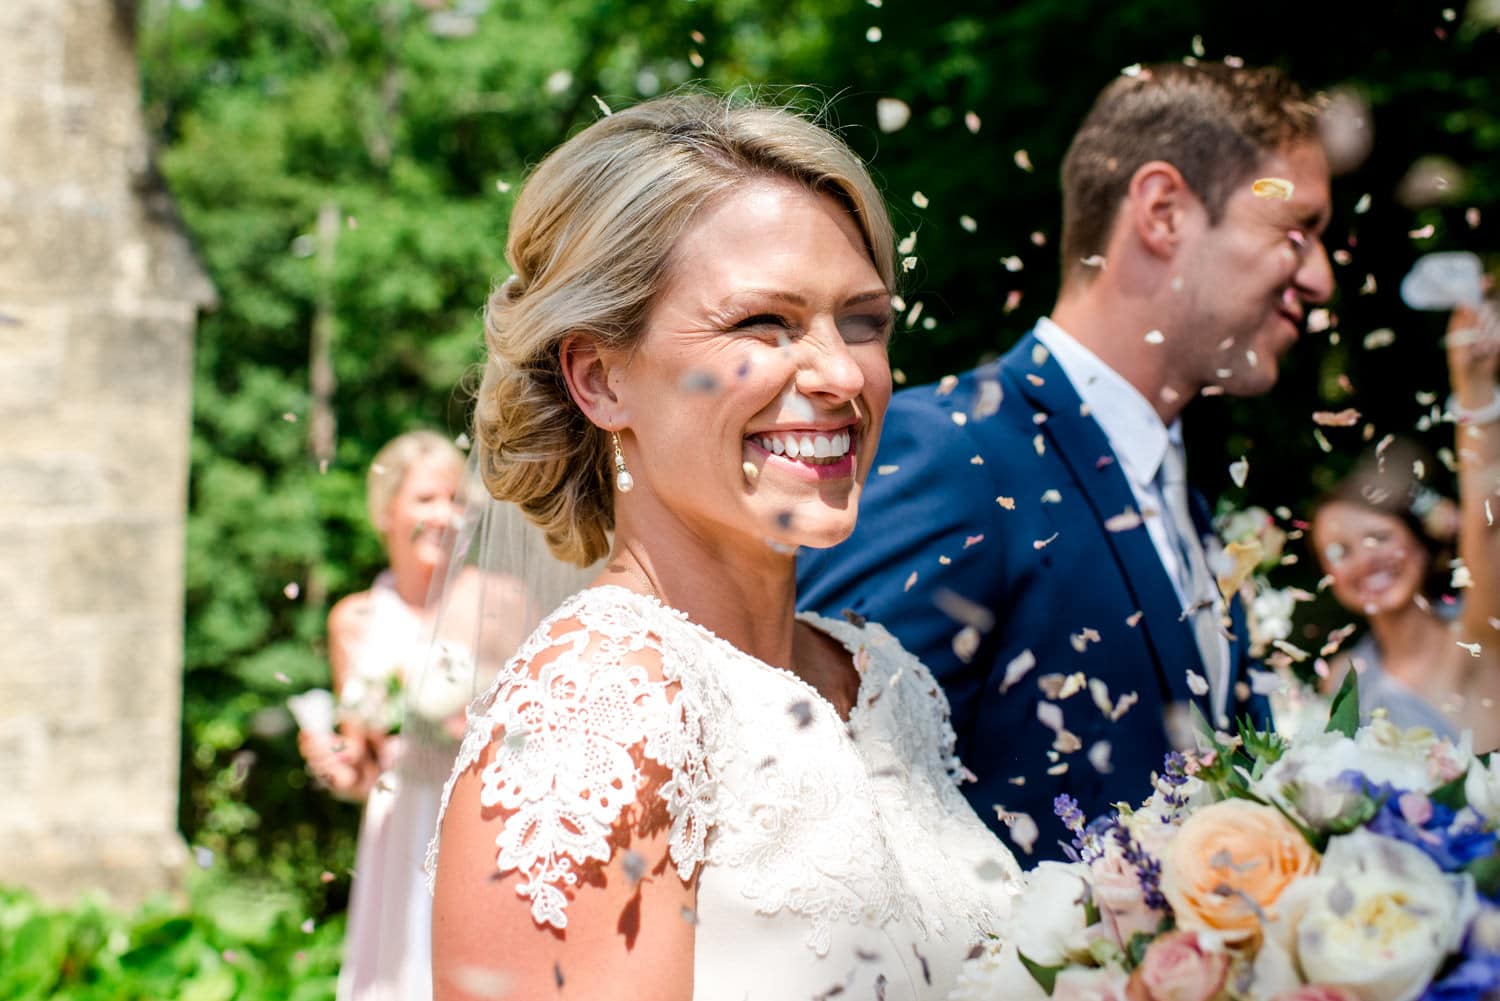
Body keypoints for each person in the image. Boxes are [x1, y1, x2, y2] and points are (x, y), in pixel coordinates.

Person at [427, 93, 1020, 1001]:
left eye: (862, 321)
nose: (839, 373)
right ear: (600, 377)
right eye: (762, 324)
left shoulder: (887, 679)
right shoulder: (594, 715)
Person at [798, 62, 1335, 859]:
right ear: (1163, 211)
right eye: (1296, 231)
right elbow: (817, 809)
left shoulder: (1178, 488)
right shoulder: (959, 452)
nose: (1320, 278)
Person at [298, 431, 533, 1001]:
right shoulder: (353, 620)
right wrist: (336, 765)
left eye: (456, 500)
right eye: (426, 499)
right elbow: (364, 766)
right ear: (386, 511)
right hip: (395, 827)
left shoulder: (499, 602)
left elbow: (534, 737)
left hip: (479, 821)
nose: (444, 516)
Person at [1311, 302, 1500, 751]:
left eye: (1378, 537)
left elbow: (1487, 521)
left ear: (1419, 542)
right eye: (1339, 552)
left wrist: (1473, 387)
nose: (1364, 560)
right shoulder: (1343, 680)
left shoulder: (1477, 635)